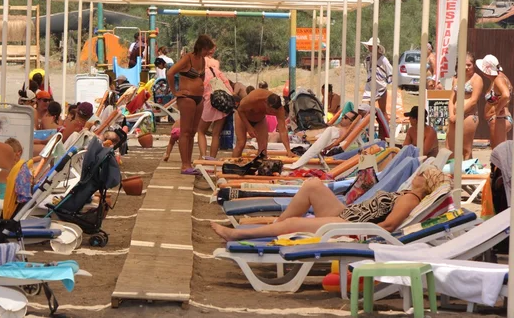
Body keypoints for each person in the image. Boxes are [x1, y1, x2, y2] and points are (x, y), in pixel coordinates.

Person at [211, 166, 450, 241]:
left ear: (424, 181)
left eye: (421, 173)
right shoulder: (407, 194)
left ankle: (239, 235)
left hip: (352, 225)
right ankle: (275, 228)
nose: (416, 173)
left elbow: (388, 226)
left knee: (296, 222)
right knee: (313, 185)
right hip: (349, 215)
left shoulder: (410, 198)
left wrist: (358, 234)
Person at [167, 35, 215, 175]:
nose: (209, 53)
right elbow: (170, 73)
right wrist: (175, 92)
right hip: (186, 97)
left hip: (199, 98)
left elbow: (202, 77)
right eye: (207, 49)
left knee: (193, 132)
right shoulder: (187, 58)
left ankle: (188, 163)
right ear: (201, 47)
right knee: (186, 131)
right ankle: (184, 164)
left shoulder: (202, 60)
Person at [232, 89, 293, 157]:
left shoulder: (280, 110)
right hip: (243, 116)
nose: (270, 113)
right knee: (241, 143)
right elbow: (240, 109)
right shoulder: (254, 97)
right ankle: (232, 166)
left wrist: (288, 150)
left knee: (263, 149)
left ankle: (260, 165)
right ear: (265, 102)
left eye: (273, 112)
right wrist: (249, 127)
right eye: (269, 110)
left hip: (260, 120)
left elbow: (283, 131)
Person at [447, 52, 483, 160]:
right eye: (464, 64)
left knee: (465, 149)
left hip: (468, 116)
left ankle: (467, 173)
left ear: (474, 65)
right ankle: (451, 173)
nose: (466, 67)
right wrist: (451, 114)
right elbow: (451, 99)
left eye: (469, 65)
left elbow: (473, 100)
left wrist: (458, 114)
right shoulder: (456, 79)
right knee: (449, 147)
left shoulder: (477, 79)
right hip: (454, 117)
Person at [197, 66, 234, 159]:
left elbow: (199, 91)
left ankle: (203, 156)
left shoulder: (199, 73)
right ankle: (212, 158)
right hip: (221, 102)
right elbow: (228, 86)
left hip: (209, 101)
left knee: (201, 131)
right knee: (216, 134)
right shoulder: (215, 71)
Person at [477, 54, 512, 148]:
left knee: (498, 153)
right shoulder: (500, 77)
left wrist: (497, 110)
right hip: (500, 118)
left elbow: (506, 95)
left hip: (499, 119)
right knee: (500, 152)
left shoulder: (498, 80)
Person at [362, 38, 392, 118]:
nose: (369, 47)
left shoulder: (384, 60)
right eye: (369, 46)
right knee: (364, 109)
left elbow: (390, 72)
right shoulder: (368, 59)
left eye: (371, 46)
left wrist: (387, 82)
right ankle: (367, 128)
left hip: (380, 87)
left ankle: (386, 129)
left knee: (382, 111)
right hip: (369, 86)